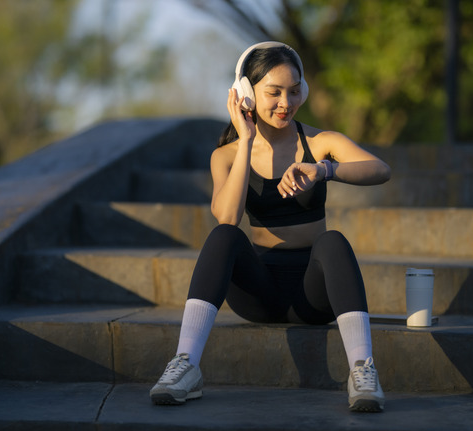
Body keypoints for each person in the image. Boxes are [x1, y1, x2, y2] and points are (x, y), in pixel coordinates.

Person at [149, 41, 391, 412]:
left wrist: (324, 169)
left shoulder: (319, 142)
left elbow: (379, 170)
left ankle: (363, 370)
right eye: (273, 92)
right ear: (247, 94)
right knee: (225, 235)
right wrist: (245, 140)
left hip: (314, 294)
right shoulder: (226, 156)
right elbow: (227, 217)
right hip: (258, 293)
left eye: (294, 91)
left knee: (333, 241)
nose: (285, 102)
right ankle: (186, 364)